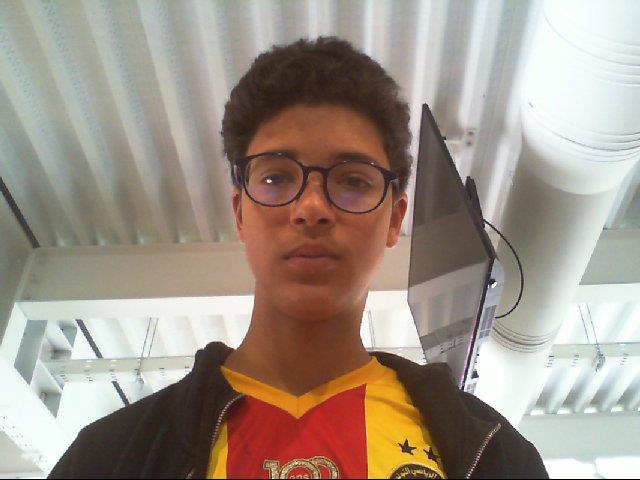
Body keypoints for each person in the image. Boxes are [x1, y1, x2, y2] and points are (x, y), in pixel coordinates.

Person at [49, 37, 547, 479]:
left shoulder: (495, 454)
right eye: (275, 178)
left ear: (395, 219)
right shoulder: (108, 457)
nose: (311, 207)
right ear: (240, 212)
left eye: (353, 180)